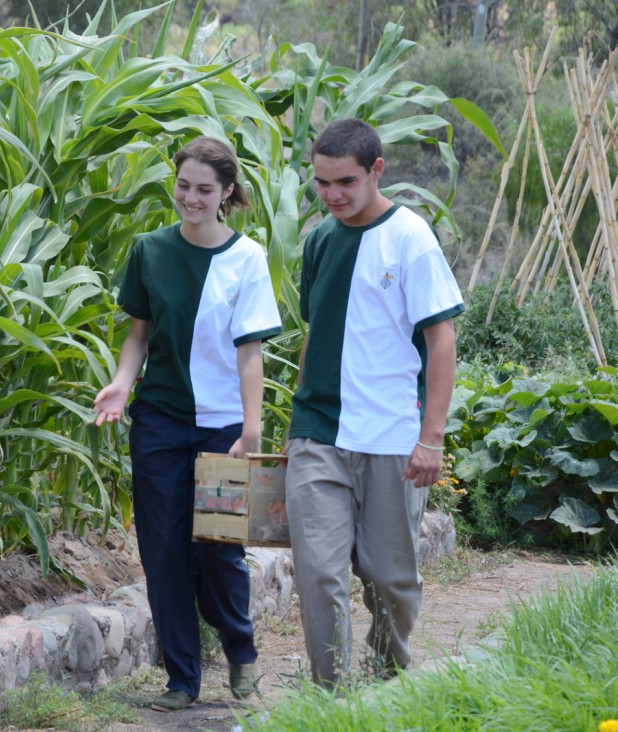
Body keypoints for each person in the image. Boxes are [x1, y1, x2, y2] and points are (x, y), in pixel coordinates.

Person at [94, 136, 282, 712]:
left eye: (204, 189)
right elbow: (138, 335)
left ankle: (240, 650)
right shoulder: (150, 250)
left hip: (223, 427)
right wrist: (123, 384)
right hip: (159, 423)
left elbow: (251, 353)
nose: (190, 199)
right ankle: (181, 680)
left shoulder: (246, 258)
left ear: (227, 192)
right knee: (163, 550)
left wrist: (251, 431)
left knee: (217, 550)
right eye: (183, 186)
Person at [285, 117, 464, 688]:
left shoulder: (410, 237)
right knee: (318, 575)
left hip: (390, 434)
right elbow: (318, 329)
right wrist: (297, 406)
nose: (333, 195)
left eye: (346, 182)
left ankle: (389, 681)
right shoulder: (318, 241)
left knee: (390, 580)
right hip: (317, 432)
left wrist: (430, 438)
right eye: (322, 183)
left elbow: (441, 341)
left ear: (376, 170)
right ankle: (329, 699)